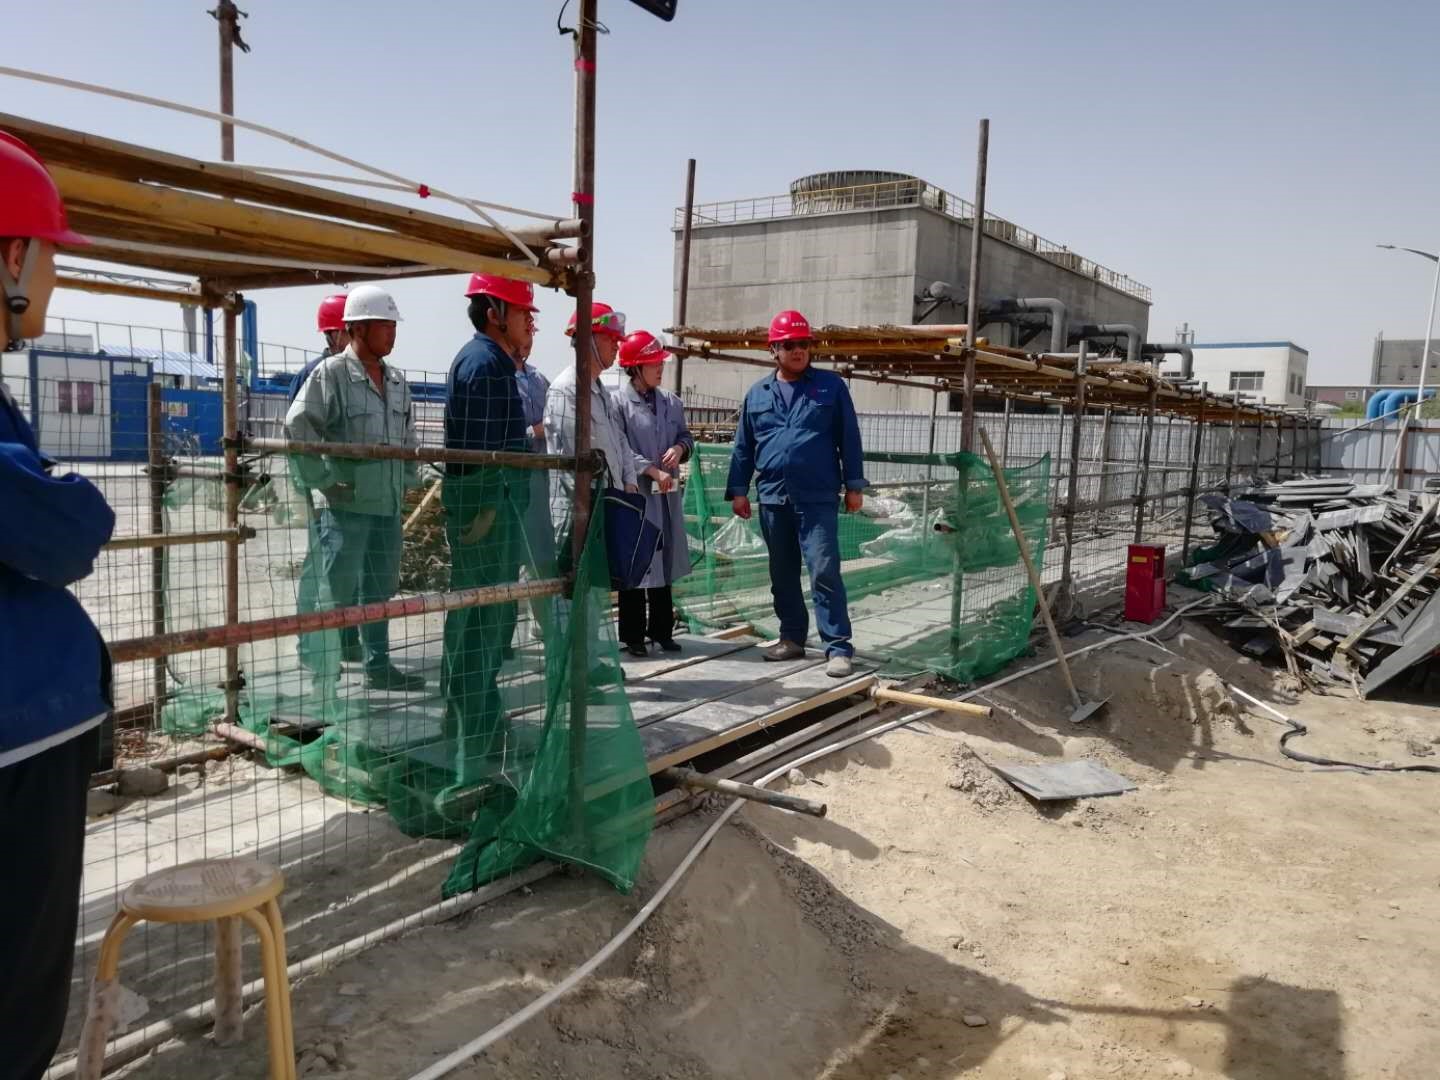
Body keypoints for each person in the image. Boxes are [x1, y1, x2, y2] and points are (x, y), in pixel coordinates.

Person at [0, 131, 116, 1080]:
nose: (52, 277)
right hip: (16, 739)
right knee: (15, 1001)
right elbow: (63, 529)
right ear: (10, 256)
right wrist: (66, 494)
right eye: (46, 256)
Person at [284, 284, 425, 694]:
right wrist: (325, 481)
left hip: (386, 506)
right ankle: (322, 669)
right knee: (335, 590)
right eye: (385, 325)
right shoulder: (331, 375)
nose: (392, 333)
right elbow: (297, 426)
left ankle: (378, 666)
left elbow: (407, 438)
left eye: (394, 326)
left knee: (379, 590)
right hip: (346, 508)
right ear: (358, 328)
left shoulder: (396, 381)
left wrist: (408, 483)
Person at [724, 309, 866, 678]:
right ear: (774, 349)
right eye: (789, 344)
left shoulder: (830, 387)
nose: (798, 350)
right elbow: (743, 446)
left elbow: (849, 438)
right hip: (773, 497)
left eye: (803, 343)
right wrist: (738, 491)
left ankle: (838, 647)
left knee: (824, 569)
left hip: (817, 496)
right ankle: (792, 638)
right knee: (782, 572)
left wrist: (854, 485)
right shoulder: (758, 394)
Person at [441, 273, 536, 780]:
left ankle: (473, 719)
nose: (529, 323)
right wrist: (483, 515)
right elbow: (481, 454)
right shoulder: (483, 364)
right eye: (523, 313)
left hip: (498, 509)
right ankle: (473, 731)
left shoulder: (494, 362)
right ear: (495, 312)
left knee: (487, 619)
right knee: (482, 620)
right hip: (487, 513)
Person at [611, 330, 694, 656]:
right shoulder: (618, 404)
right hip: (637, 495)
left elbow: (686, 437)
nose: (660, 368)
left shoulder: (671, 402)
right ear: (635, 368)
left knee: (665, 558)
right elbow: (619, 447)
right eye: (653, 363)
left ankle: (662, 631)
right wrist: (650, 470)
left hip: (666, 495)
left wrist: (679, 448)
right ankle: (633, 636)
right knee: (636, 560)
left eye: (660, 362)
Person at [289, 294, 362, 664]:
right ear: (335, 334)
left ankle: (344, 639)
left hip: (344, 490)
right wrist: (321, 481)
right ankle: (310, 645)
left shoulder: (352, 373)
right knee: (320, 568)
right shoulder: (317, 374)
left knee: (347, 567)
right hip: (321, 488)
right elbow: (298, 435)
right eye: (352, 330)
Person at [511, 334, 556, 644]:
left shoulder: (540, 380)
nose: (527, 341)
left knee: (539, 556)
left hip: (540, 482)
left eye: (531, 334)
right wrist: (533, 431)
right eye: (523, 332)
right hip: (511, 479)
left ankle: (542, 625)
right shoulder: (499, 378)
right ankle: (501, 637)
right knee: (506, 561)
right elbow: (501, 433)